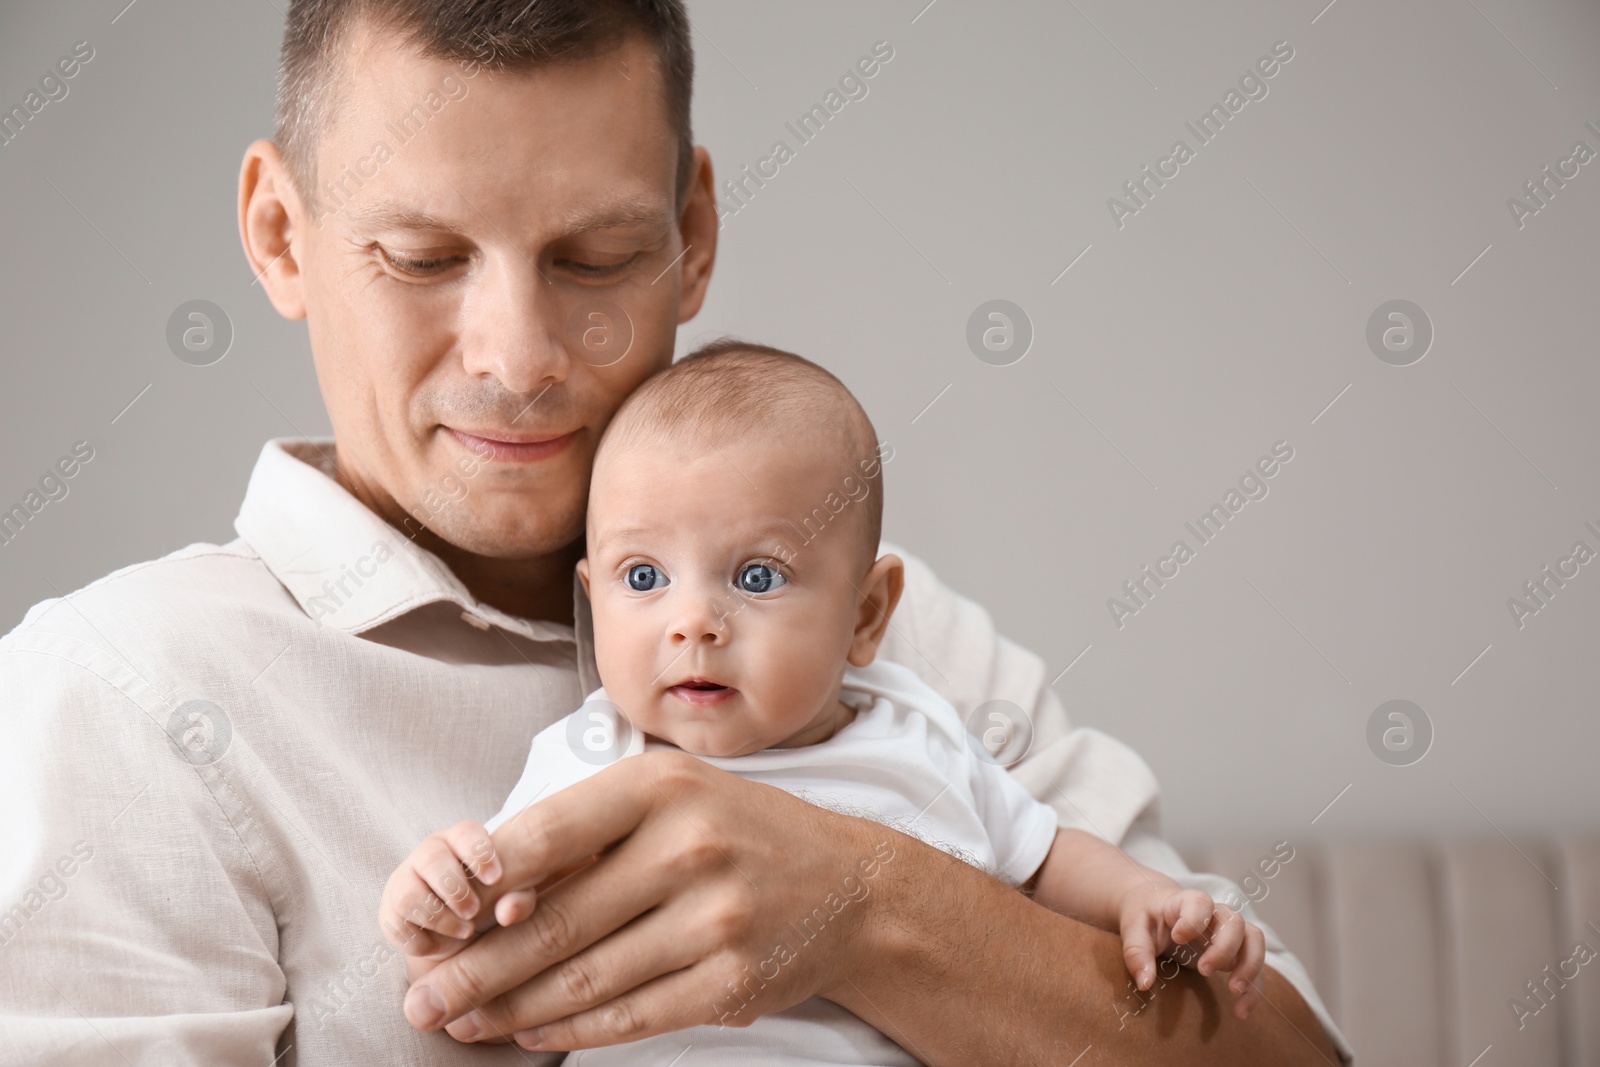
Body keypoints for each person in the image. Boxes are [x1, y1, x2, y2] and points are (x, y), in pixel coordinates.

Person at [0, 1, 1351, 1063]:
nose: (518, 357)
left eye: (594, 257)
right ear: (280, 233)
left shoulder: (889, 626)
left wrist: (873, 907)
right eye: (422, 258)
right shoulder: (115, 699)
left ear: (694, 234)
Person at [381, 342, 1273, 1065]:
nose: (694, 623)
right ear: (593, 595)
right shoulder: (592, 757)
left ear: (867, 613)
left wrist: (1144, 897)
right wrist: (441, 898)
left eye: (757, 575)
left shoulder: (916, 731)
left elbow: (1042, 857)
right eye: (643, 577)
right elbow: (488, 957)